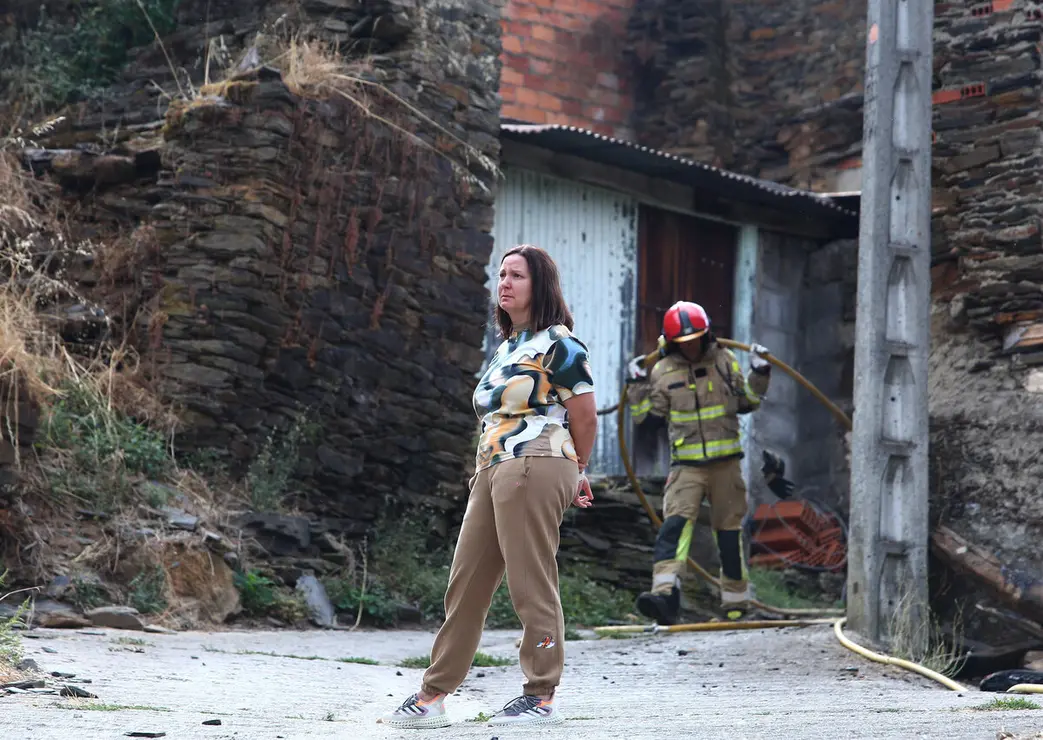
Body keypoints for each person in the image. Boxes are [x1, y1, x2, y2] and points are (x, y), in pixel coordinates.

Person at [379, 243, 597, 729]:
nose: (504, 284)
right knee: (466, 583)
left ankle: (541, 695)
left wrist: (578, 467)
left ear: (540, 285)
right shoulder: (507, 348)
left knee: (530, 581)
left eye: (516, 276)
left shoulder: (560, 344)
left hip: (536, 460)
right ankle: (433, 695)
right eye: (501, 275)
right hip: (493, 467)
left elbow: (584, 414)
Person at [625, 300, 771, 625]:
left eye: (695, 339)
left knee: (729, 533)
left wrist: (760, 372)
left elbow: (748, 401)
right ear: (672, 342)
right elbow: (647, 418)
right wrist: (636, 385)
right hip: (685, 468)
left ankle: (736, 604)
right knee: (674, 528)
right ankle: (664, 597)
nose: (690, 346)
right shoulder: (662, 371)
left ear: (706, 335)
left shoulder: (725, 360)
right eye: (683, 342)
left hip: (726, 466)